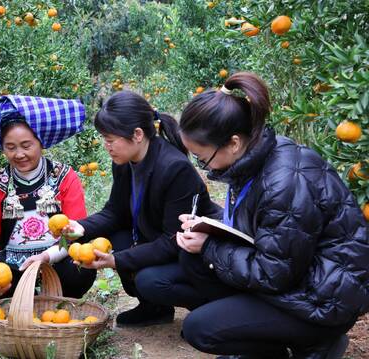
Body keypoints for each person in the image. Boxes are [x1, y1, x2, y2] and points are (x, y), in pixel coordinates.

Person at [176, 72, 369, 358]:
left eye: (204, 158)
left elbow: (273, 274)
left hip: (323, 300)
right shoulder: (255, 158)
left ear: (233, 143)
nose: (204, 167)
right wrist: (209, 230)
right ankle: (264, 341)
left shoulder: (285, 183)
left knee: (199, 328)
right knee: (191, 258)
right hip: (298, 276)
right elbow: (266, 237)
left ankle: (316, 342)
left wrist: (211, 246)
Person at [65, 90, 221, 327]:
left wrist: (116, 261)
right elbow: (115, 213)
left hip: (195, 254)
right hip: (158, 239)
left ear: (137, 134)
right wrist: (79, 227)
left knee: (150, 280)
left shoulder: (175, 169)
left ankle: (212, 307)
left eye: (110, 139)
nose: (106, 146)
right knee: (116, 236)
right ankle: (154, 308)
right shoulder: (125, 163)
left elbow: (173, 240)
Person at [0, 95, 96, 308]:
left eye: (26, 145)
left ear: (40, 142)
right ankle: (20, 303)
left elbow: (74, 231)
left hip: (56, 262)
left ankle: (57, 300)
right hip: (14, 270)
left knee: (80, 271)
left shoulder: (64, 176)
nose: (20, 154)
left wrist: (45, 257)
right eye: (11, 147)